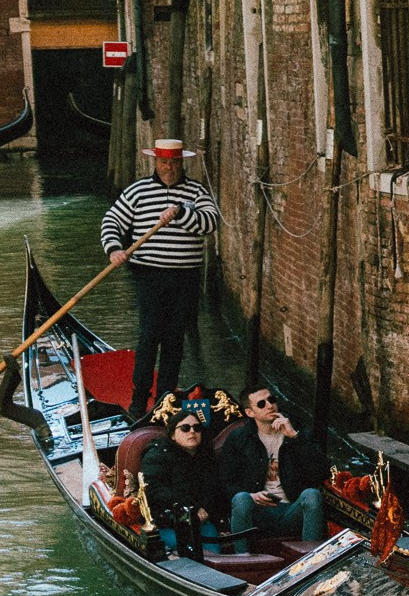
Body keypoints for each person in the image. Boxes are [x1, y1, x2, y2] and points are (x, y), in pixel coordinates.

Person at [100, 138, 222, 418]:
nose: (169, 168)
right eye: (164, 162)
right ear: (156, 162)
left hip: (185, 277)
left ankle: (165, 400)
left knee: (174, 339)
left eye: (174, 162)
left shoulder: (196, 192)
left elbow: (210, 223)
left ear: (182, 163)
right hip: (149, 275)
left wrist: (181, 213)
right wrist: (114, 249)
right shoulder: (138, 191)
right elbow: (111, 221)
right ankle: (138, 398)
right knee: (149, 335)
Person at [219, 385, 327, 547]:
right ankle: (242, 556)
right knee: (241, 498)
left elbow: (321, 471)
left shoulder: (297, 430)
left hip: (291, 510)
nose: (270, 405)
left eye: (271, 400)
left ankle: (311, 558)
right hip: (257, 514)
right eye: (261, 404)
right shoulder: (239, 438)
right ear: (250, 412)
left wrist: (294, 437)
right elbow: (225, 483)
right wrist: (252, 496)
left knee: (312, 495)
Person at [139, 410, 227, 558]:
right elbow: (154, 490)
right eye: (185, 428)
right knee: (187, 551)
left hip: (201, 522)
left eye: (197, 428)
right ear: (173, 435)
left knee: (212, 555)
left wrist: (205, 509)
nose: (192, 432)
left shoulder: (205, 455)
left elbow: (214, 488)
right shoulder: (156, 455)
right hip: (167, 522)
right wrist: (193, 507)